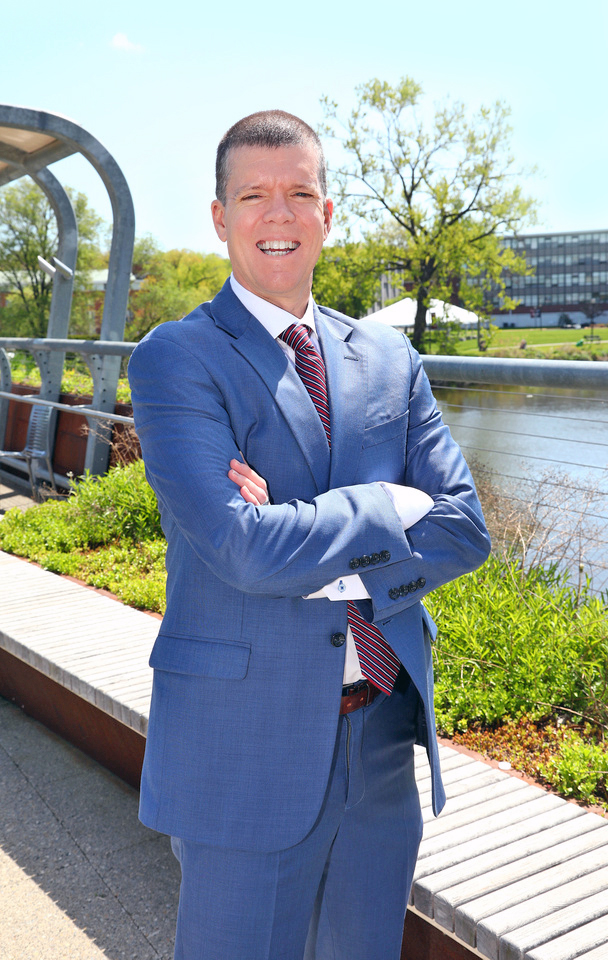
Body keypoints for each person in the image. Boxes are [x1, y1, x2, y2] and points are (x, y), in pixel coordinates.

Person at [128, 109, 490, 960]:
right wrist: (388, 507)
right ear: (220, 218)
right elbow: (243, 549)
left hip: (383, 738)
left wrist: (309, 547)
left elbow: (464, 527)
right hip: (242, 742)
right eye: (253, 195)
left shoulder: (389, 359)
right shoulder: (177, 358)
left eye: (300, 193)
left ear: (329, 213)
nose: (278, 214)